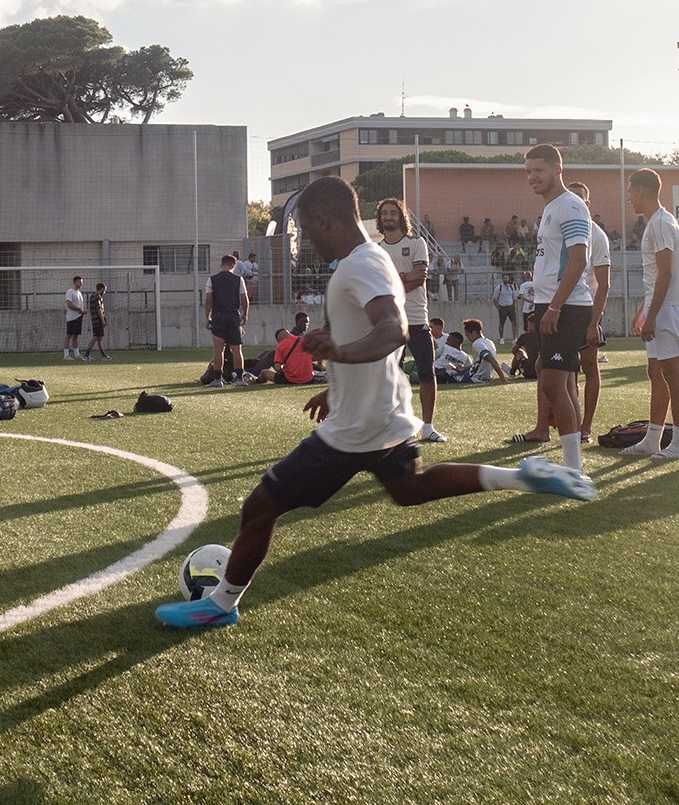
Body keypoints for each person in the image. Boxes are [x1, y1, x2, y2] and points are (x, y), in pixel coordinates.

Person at [155, 177, 595, 629]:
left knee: (260, 507)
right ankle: (523, 477)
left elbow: (392, 330)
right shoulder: (374, 259)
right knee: (411, 489)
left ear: (325, 220)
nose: (306, 241)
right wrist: (337, 379)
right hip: (384, 411)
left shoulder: (358, 267)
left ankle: (220, 605)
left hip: (356, 428)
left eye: (307, 230)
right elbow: (370, 329)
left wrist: (340, 355)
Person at [524, 144, 592, 473]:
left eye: (538, 170)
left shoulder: (571, 206)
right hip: (550, 304)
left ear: (557, 169)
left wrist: (554, 307)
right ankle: (572, 463)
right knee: (551, 378)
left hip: (566, 307)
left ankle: (574, 467)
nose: (532, 177)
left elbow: (578, 260)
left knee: (553, 382)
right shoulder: (552, 207)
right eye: (528, 172)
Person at [376, 197, 446, 443]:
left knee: (427, 372)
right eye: (384, 213)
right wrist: (404, 276)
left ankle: (428, 426)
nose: (388, 217)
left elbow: (420, 277)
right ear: (380, 218)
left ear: (401, 216)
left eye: (393, 213)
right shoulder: (376, 250)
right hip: (389, 321)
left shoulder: (417, 243)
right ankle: (395, 423)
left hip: (416, 318)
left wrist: (393, 280)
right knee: (390, 374)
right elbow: (377, 284)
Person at [620, 168, 679, 459]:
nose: (628, 197)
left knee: (672, 374)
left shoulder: (661, 223)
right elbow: (656, 273)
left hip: (667, 310)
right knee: (656, 372)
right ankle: (652, 439)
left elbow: (666, 272)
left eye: (630, 191)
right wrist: (643, 309)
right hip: (659, 307)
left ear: (642, 190)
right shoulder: (658, 222)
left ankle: (677, 442)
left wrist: (653, 315)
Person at [568, 181, 610, 443]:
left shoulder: (597, 235)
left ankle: (585, 427)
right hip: (564, 308)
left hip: (586, 311)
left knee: (589, 367)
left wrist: (595, 320)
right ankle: (569, 422)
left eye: (579, 198)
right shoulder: (564, 229)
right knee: (561, 370)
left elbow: (603, 283)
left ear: (587, 202)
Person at [204, 255, 249, 388]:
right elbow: (245, 299)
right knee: (237, 349)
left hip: (218, 316)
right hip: (233, 316)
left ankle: (218, 379)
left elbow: (208, 300)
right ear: (233, 266)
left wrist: (207, 317)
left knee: (218, 350)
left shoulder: (212, 279)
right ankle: (239, 378)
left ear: (221, 264)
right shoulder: (238, 279)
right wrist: (245, 315)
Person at [461, 318, 508, 383]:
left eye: (468, 335)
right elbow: (480, 362)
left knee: (448, 375)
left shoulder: (477, 344)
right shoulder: (489, 342)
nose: (467, 338)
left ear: (474, 332)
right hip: (487, 378)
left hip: (475, 378)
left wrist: (503, 379)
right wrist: (464, 368)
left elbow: (491, 360)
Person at [504, 312, 540, 379]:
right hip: (543, 372)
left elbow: (514, 350)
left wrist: (522, 360)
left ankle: (512, 372)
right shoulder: (545, 336)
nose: (527, 327)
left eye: (528, 324)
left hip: (530, 372)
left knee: (518, 352)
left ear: (533, 325)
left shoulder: (525, 336)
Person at [83, 282, 111, 361]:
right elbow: (99, 309)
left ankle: (103, 355)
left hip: (95, 320)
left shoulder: (92, 296)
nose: (104, 292)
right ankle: (86, 355)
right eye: (104, 290)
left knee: (100, 338)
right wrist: (102, 320)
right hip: (98, 320)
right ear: (101, 289)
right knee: (95, 337)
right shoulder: (97, 297)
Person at [63, 275, 86, 360]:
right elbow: (69, 304)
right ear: (75, 282)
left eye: (82, 283)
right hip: (72, 317)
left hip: (79, 317)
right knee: (69, 335)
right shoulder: (70, 292)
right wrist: (79, 309)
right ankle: (66, 355)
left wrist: (82, 311)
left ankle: (77, 354)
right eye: (79, 282)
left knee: (75, 336)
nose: (81, 284)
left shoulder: (79, 293)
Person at [491, 273, 518, 345]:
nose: (506, 279)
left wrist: (513, 305)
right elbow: (494, 299)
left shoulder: (511, 287)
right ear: (502, 279)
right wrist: (498, 308)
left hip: (510, 307)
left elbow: (514, 298)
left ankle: (514, 338)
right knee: (501, 324)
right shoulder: (499, 287)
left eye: (507, 278)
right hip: (502, 307)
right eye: (505, 278)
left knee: (514, 323)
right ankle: (501, 338)